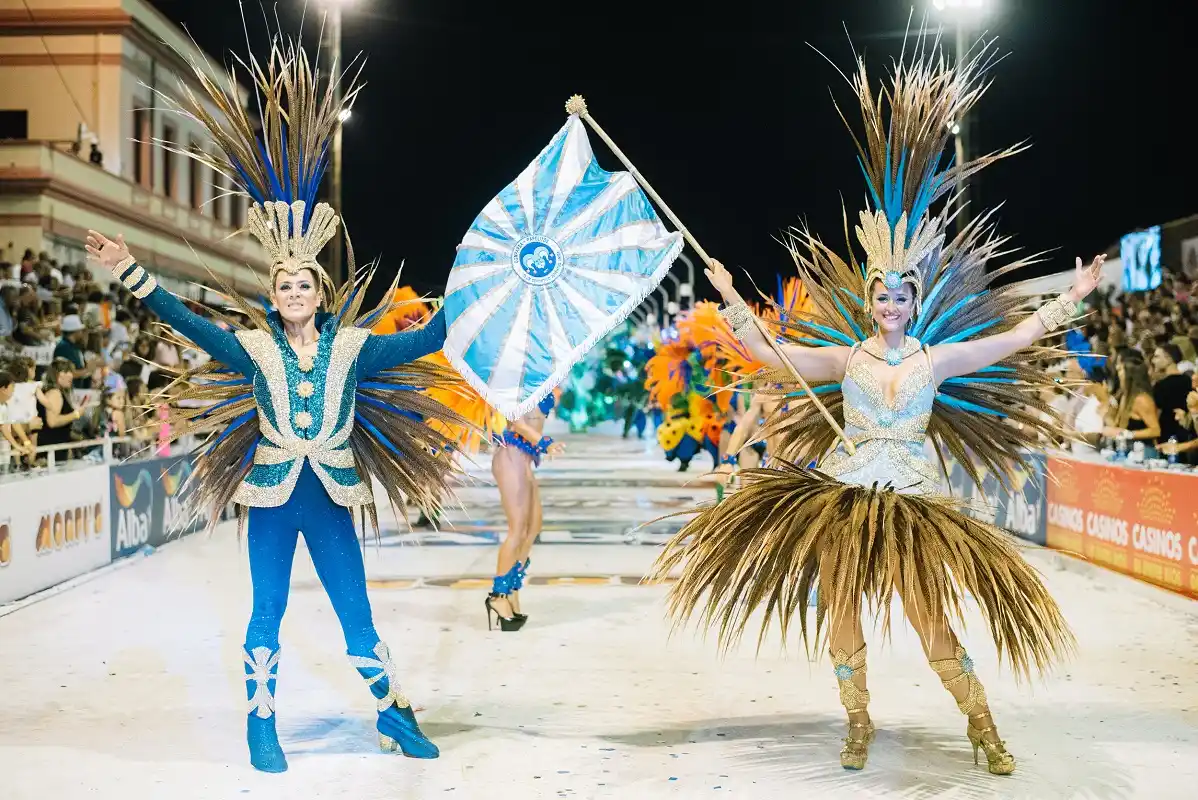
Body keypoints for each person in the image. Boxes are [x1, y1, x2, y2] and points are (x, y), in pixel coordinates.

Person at [651, 42, 1097, 776]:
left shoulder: (937, 359)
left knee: (930, 620)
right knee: (843, 611)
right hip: (846, 493)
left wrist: (1069, 300)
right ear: (870, 301)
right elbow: (772, 356)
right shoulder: (844, 359)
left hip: (915, 498)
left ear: (916, 301)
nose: (890, 304)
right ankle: (857, 723)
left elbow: (1014, 338)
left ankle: (981, 725)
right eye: (881, 295)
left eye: (901, 295)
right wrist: (731, 299)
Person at [83, 39, 476, 774]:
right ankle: (260, 726)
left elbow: (431, 338)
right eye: (284, 285)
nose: (295, 292)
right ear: (273, 295)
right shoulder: (252, 348)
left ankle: (392, 715)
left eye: (305, 284)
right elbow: (185, 319)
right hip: (270, 497)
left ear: (320, 294)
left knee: (356, 618)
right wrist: (128, 269)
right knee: (268, 613)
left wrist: (474, 279)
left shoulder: (357, 347)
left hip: (328, 499)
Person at [485, 394, 563, 631]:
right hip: (510, 456)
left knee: (532, 528)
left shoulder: (542, 376)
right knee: (517, 530)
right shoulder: (518, 379)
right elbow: (517, 422)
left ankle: (512, 589)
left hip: (525, 459)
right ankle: (498, 597)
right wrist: (544, 441)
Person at [1103, 350, 1160, 455]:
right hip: (1126, 450)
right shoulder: (1123, 396)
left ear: (1129, 374)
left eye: (1121, 370)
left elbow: (1156, 430)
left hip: (1143, 452)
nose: (1117, 372)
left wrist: (1127, 434)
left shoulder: (1142, 399)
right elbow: (1118, 427)